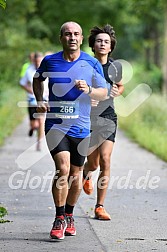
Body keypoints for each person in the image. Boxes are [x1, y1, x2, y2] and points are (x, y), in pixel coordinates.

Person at [33, 21, 108, 240]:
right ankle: (58, 218)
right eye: (67, 34)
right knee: (62, 169)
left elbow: (104, 92)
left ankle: (69, 214)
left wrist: (90, 89)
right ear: (61, 38)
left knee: (76, 174)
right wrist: (40, 99)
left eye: (76, 34)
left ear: (82, 38)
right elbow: (38, 79)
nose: (72, 37)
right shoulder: (50, 61)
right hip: (56, 126)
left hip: (81, 127)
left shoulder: (91, 63)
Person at [83, 24, 124, 220]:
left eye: (106, 42)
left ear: (111, 47)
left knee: (105, 160)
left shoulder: (115, 67)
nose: (102, 44)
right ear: (93, 45)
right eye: (99, 40)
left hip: (108, 116)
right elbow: (76, 88)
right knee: (93, 163)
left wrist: (118, 91)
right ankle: (85, 172)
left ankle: (99, 207)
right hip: (88, 118)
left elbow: (120, 86)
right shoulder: (85, 65)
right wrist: (86, 97)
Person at [19, 52, 47, 151]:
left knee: (41, 121)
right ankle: (32, 128)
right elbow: (22, 83)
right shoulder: (29, 70)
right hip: (31, 99)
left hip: (44, 99)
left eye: (40, 61)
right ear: (33, 61)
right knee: (34, 124)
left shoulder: (47, 69)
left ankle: (39, 142)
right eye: (36, 61)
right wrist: (29, 90)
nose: (38, 63)